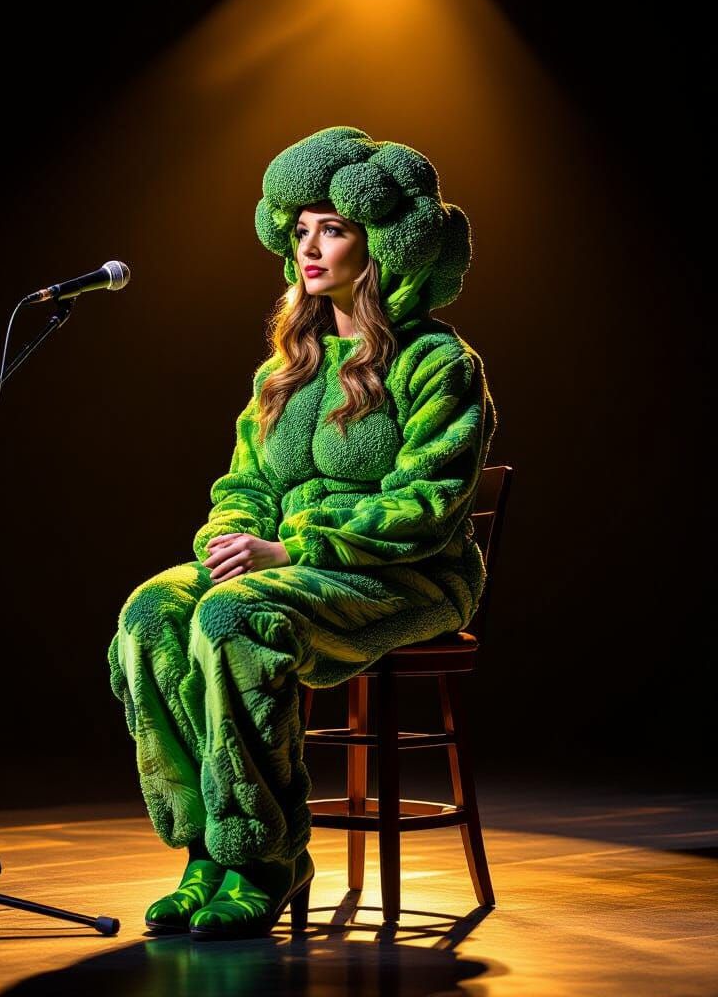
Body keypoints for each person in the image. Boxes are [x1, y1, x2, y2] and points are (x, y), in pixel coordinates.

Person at [106, 125, 497, 941]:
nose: (310, 245)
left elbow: (428, 506)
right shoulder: (290, 364)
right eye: (301, 230)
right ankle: (206, 855)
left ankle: (265, 857)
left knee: (235, 622)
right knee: (151, 615)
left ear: (382, 245)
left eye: (335, 228)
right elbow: (244, 484)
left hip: (406, 577)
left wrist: (293, 550)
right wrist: (232, 540)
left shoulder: (438, 364)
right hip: (285, 568)